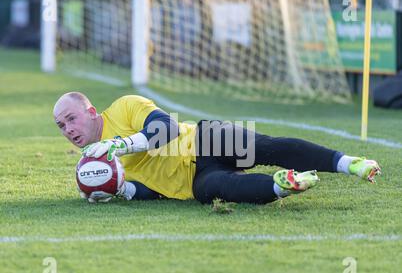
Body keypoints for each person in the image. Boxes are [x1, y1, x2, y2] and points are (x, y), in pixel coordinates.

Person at [53, 92, 381, 204]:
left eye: (71, 119)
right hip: (194, 182)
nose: (68, 130)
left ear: (91, 112)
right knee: (222, 189)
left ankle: (348, 162)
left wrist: (120, 144)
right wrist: (118, 189)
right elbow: (154, 192)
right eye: (61, 126)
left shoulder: (124, 107)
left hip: (204, 139)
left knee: (262, 146)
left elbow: (164, 128)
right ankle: (282, 185)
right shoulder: (96, 163)